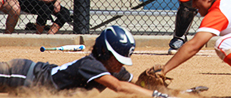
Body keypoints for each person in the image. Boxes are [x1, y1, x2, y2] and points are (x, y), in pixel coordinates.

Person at [0, 25, 170, 98]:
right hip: (26, 75)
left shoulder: (115, 70)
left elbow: (136, 86)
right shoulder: (92, 64)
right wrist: (156, 96)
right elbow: (119, 87)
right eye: (117, 59)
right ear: (104, 51)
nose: (120, 64)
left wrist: (178, 93)